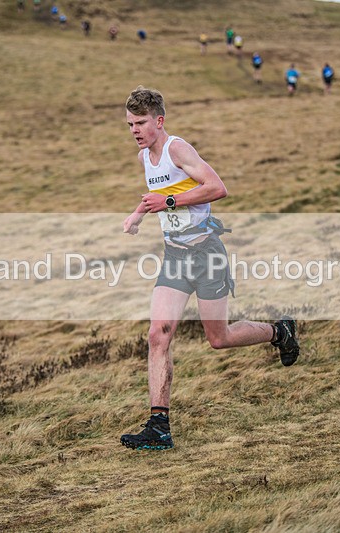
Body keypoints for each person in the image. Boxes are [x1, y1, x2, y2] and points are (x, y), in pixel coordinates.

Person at [120, 86, 301, 451]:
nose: (135, 130)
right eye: (129, 124)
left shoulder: (177, 149)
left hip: (206, 254)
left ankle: (279, 331)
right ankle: (159, 427)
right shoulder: (145, 158)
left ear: (159, 120)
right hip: (175, 257)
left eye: (141, 123)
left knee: (218, 339)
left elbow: (217, 188)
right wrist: (138, 215)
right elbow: (157, 196)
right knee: (159, 334)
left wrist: (168, 201)